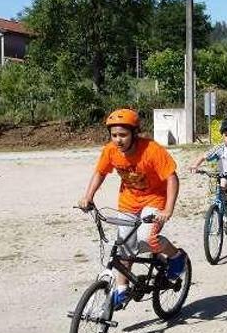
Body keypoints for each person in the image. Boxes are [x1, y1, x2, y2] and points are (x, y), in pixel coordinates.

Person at [78, 109, 188, 308]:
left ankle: (176, 256)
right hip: (128, 202)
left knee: (146, 239)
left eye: (123, 135)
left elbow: (172, 178)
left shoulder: (152, 150)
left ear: (134, 133)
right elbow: (100, 173)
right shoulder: (110, 151)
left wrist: (168, 209)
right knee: (125, 246)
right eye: (114, 135)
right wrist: (88, 197)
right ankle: (121, 290)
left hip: (155, 199)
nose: (118, 140)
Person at [189, 119, 227, 245]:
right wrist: (195, 166)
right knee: (221, 186)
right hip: (226, 176)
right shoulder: (219, 148)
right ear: (223, 136)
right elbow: (204, 156)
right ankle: (222, 210)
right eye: (226, 135)